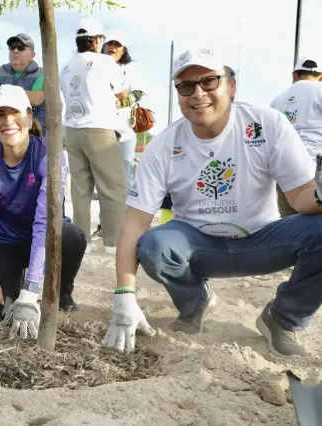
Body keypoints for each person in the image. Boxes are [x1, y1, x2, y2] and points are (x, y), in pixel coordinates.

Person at [101, 47, 322, 358]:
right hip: (200, 247)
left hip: (263, 242)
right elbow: (134, 223)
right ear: (178, 94)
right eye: (186, 86)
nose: (198, 94)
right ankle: (195, 302)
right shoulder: (164, 145)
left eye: (208, 82)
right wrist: (124, 296)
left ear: (231, 86)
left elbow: (300, 197)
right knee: (153, 245)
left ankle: (282, 318)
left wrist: (320, 195)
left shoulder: (267, 125)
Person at [0, 85, 85, 335]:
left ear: (30, 118)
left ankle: (59, 290)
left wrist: (31, 293)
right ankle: (12, 281)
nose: (8, 121)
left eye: (15, 113)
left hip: (46, 240)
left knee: (72, 236)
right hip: (6, 242)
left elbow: (44, 223)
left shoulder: (50, 155)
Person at [59, 19, 128, 256]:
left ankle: (83, 242)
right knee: (113, 188)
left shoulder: (66, 66)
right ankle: (113, 242)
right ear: (97, 40)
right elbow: (122, 92)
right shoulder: (104, 61)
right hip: (99, 130)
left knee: (81, 190)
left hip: (73, 130)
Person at [270, 55, 322, 218]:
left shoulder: (276, 101)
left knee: (290, 223)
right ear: (321, 77)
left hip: (285, 166)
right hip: (317, 163)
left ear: (294, 75)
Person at [102, 29, 144, 189]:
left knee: (124, 179)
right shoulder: (94, 65)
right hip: (100, 130)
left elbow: (138, 92)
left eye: (117, 45)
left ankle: (124, 214)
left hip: (125, 131)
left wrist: (120, 103)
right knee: (104, 180)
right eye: (110, 43)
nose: (112, 47)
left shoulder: (131, 68)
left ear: (123, 49)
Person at [0, 33, 47, 135]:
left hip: (35, 135)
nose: (15, 51)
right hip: (5, 134)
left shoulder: (42, 73)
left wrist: (0, 94)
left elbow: (36, 98)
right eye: (12, 47)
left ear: (32, 55)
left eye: (21, 48)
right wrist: (22, 95)